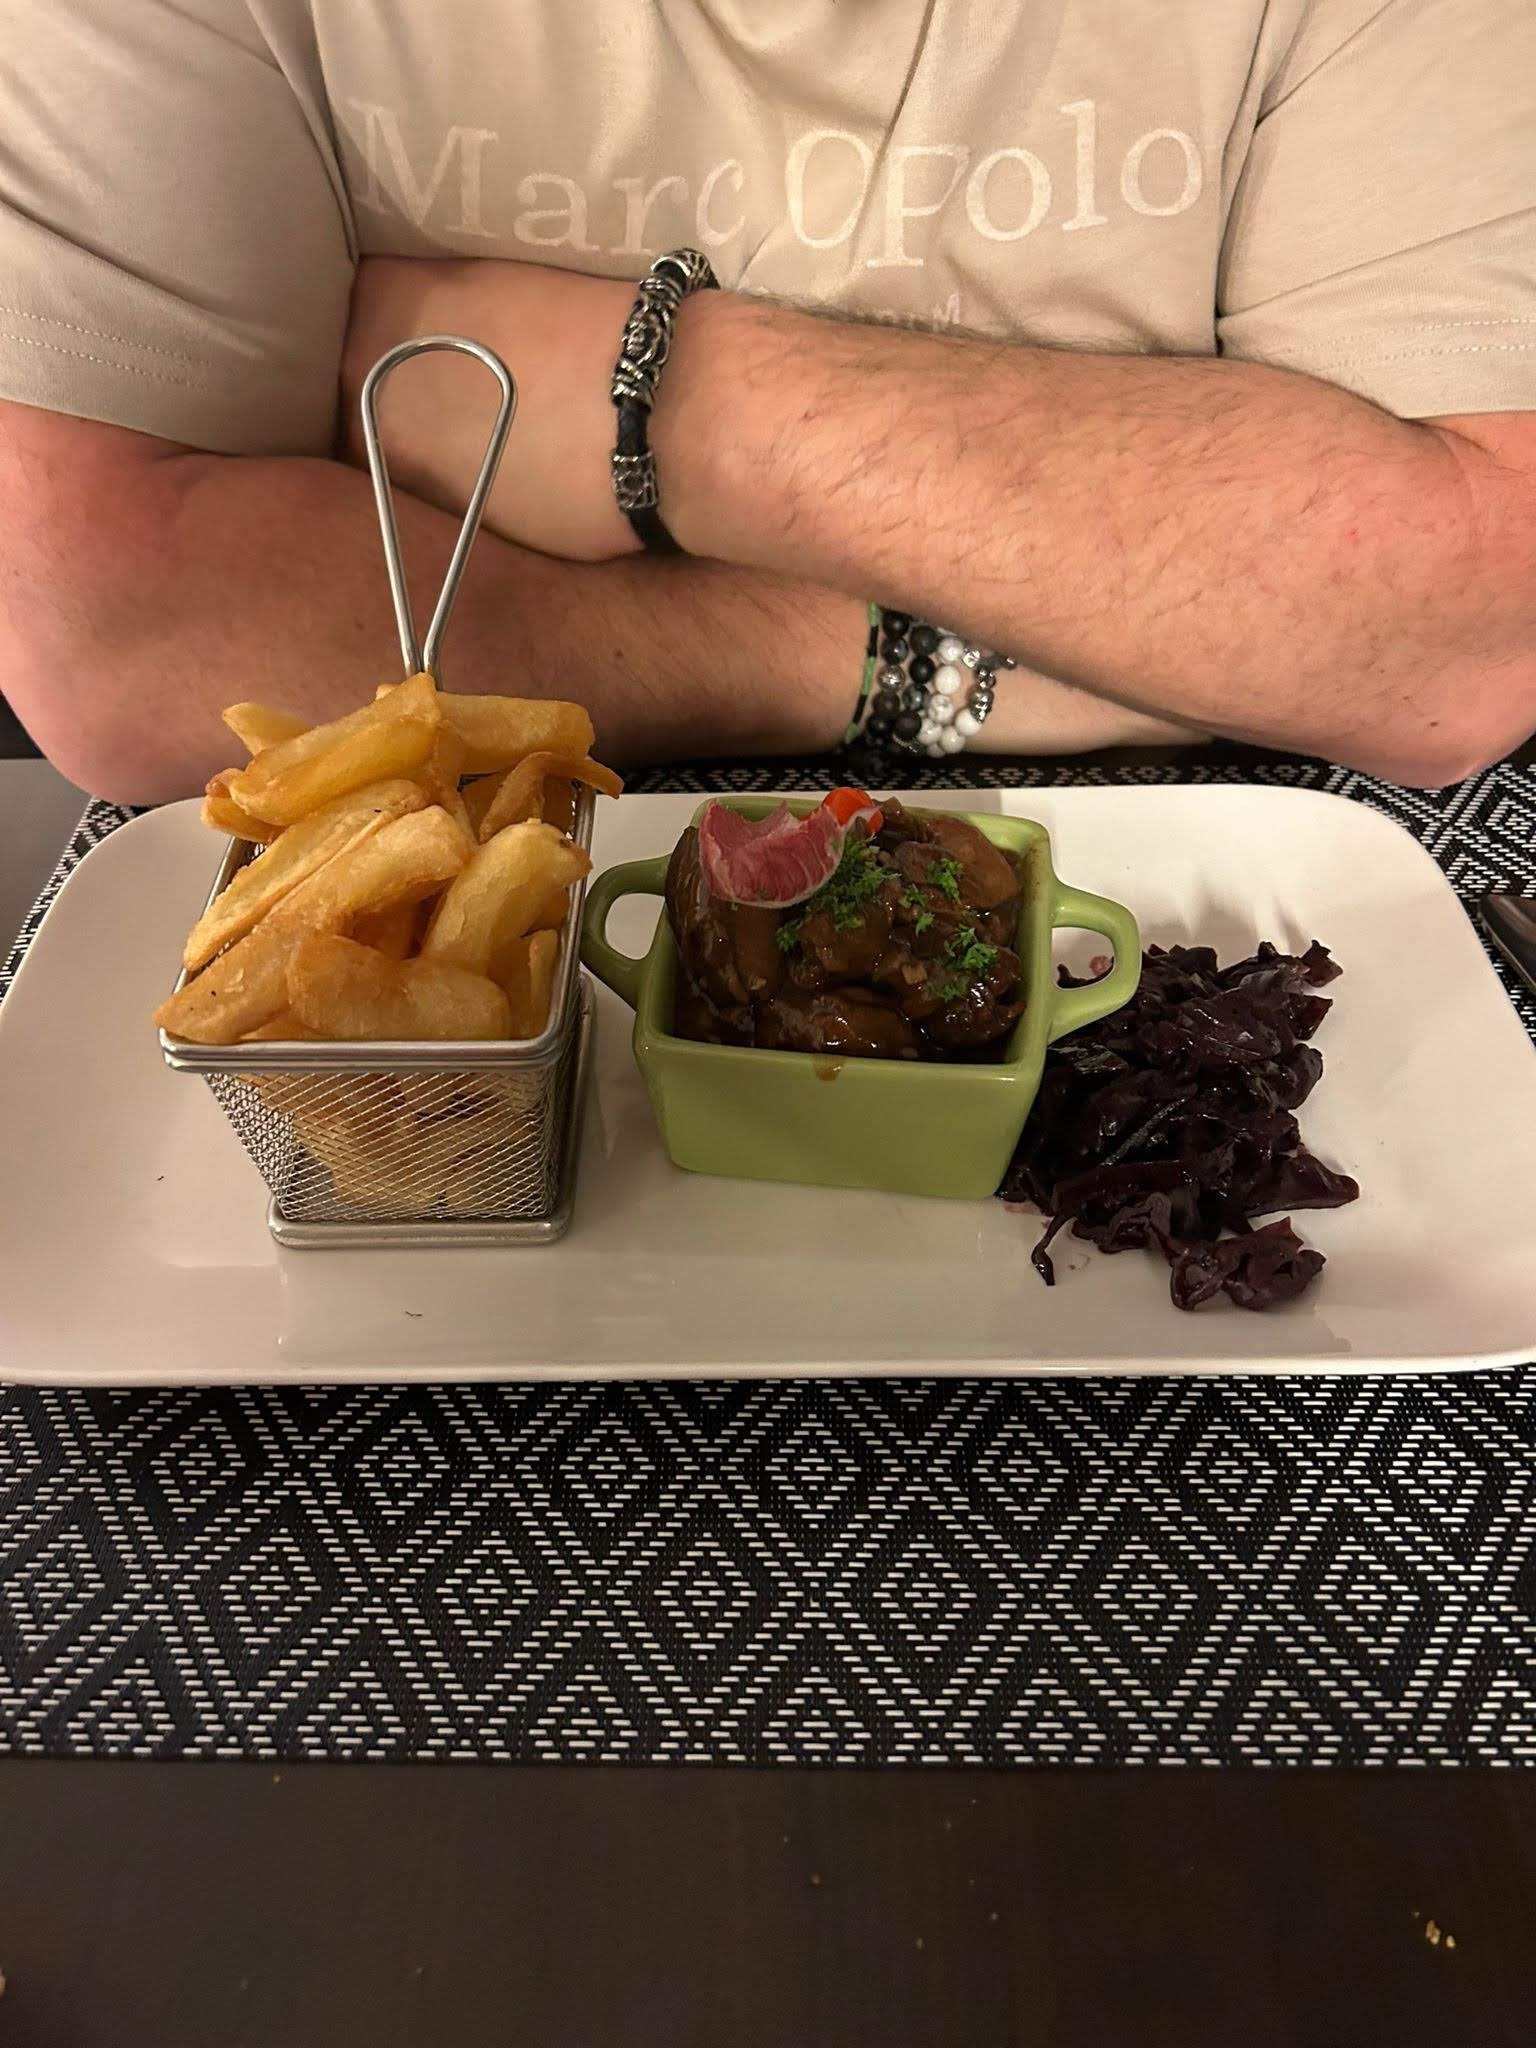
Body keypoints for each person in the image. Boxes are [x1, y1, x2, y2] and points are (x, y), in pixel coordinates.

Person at [0, 0, 1530, 803]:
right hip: (413, 937)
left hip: (1284, 903)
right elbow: (118, 651)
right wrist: (961, 655)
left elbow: (1460, 634)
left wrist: (645, 394)